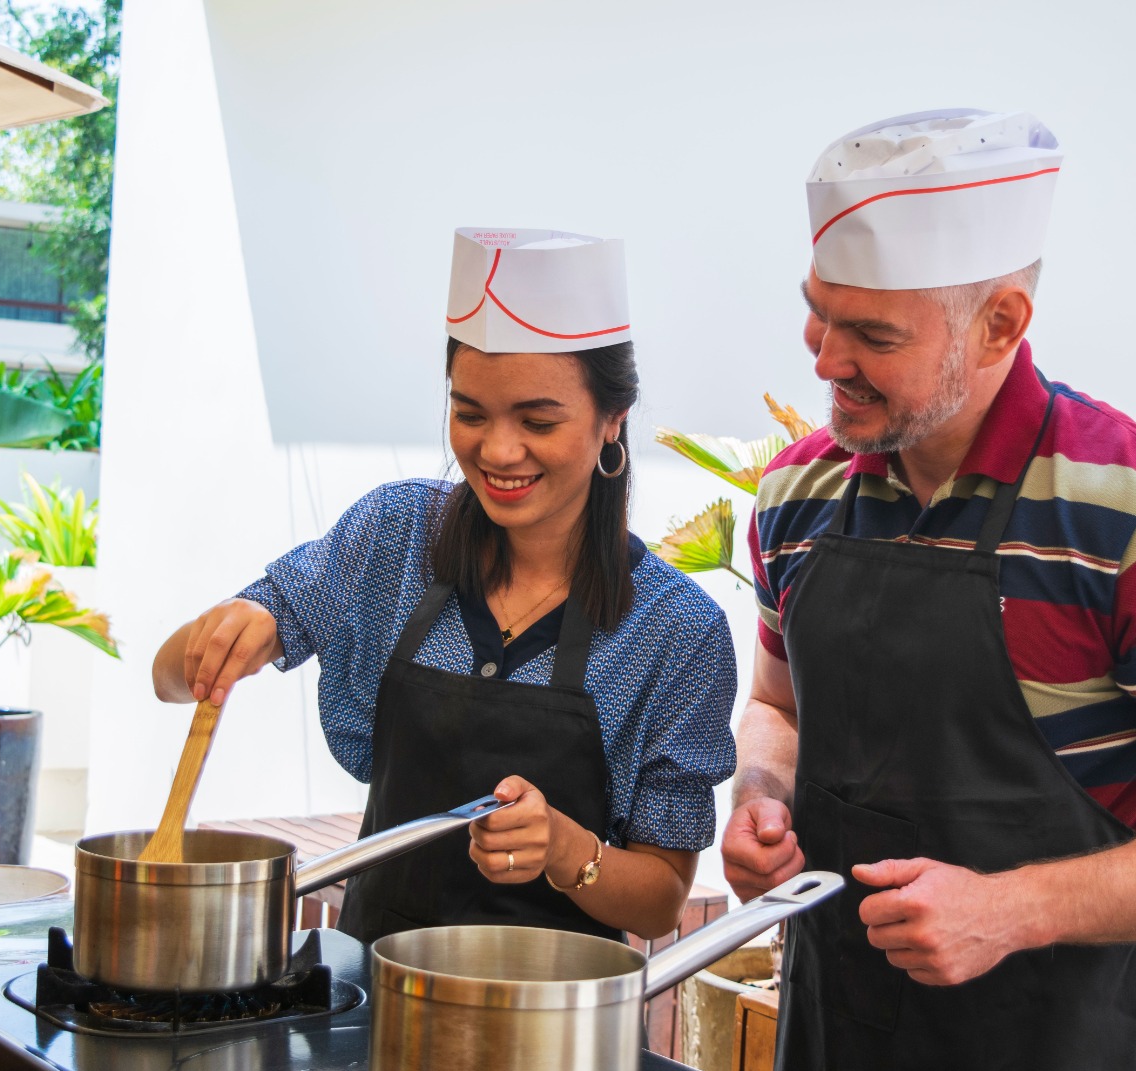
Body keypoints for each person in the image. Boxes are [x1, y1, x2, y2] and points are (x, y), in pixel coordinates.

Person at [720, 110, 1136, 1071]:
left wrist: (1012, 911)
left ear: (1002, 322)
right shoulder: (799, 496)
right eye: (817, 311)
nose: (825, 360)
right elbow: (776, 706)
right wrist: (761, 793)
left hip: (1065, 1047)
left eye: (871, 334)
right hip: (830, 1038)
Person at [154, 227, 737, 944]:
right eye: (469, 414)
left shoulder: (677, 631)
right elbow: (168, 679)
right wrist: (224, 632)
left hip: (553, 1026)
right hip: (376, 996)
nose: (496, 451)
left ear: (612, 420)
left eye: (538, 420)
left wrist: (563, 849)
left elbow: (658, 903)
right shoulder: (393, 538)